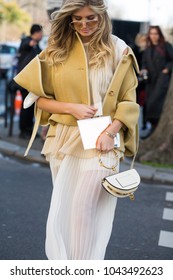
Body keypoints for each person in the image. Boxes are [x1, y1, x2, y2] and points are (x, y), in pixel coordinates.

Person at [14, 0, 139, 260]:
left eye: (91, 18)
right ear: (69, 18)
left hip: (103, 139)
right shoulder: (56, 49)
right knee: (65, 209)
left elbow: (129, 101)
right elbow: (37, 98)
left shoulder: (119, 49)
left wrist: (110, 131)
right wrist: (72, 108)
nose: (84, 24)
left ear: (102, 17)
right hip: (64, 138)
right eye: (77, 18)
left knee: (84, 208)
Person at [140, 25, 173, 137]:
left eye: (156, 33)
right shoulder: (148, 49)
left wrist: (167, 69)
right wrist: (143, 69)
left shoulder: (166, 46)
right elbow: (144, 62)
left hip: (162, 80)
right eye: (152, 33)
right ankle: (152, 128)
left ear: (159, 35)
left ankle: (154, 129)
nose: (154, 36)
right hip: (151, 80)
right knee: (148, 104)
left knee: (156, 103)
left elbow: (171, 60)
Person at [17, 24, 43, 139]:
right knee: (25, 106)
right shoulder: (27, 41)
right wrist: (31, 42)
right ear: (36, 33)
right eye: (41, 32)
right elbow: (26, 44)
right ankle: (23, 131)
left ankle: (30, 130)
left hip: (33, 81)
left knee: (32, 107)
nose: (42, 35)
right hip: (25, 80)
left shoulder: (37, 46)